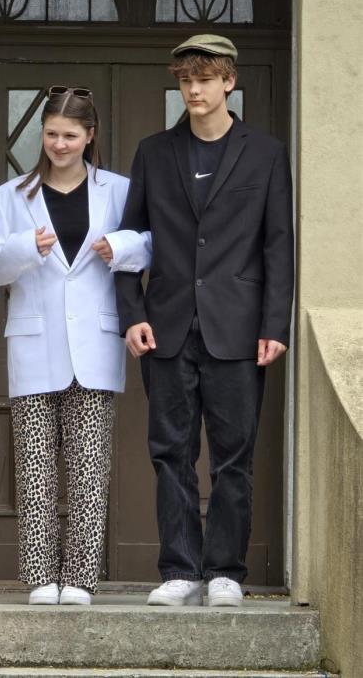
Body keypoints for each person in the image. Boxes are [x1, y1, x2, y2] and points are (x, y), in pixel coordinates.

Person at [114, 35, 294, 607]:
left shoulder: (265, 153)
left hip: (238, 329)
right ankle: (180, 570)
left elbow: (278, 244)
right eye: (186, 80)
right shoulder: (154, 152)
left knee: (233, 456)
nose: (194, 90)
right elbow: (130, 241)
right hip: (166, 327)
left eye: (205, 79)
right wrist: (132, 314)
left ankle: (225, 572)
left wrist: (276, 325)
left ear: (229, 82)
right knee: (171, 453)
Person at [0, 86, 150, 606]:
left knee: (89, 470)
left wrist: (120, 245)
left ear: (90, 136)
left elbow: (153, 242)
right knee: (35, 470)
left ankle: (79, 580)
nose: (59, 144)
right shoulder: (9, 197)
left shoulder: (119, 191)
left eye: (70, 135)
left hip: (95, 344)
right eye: (51, 134)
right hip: (34, 343)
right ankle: (39, 578)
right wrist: (24, 246)